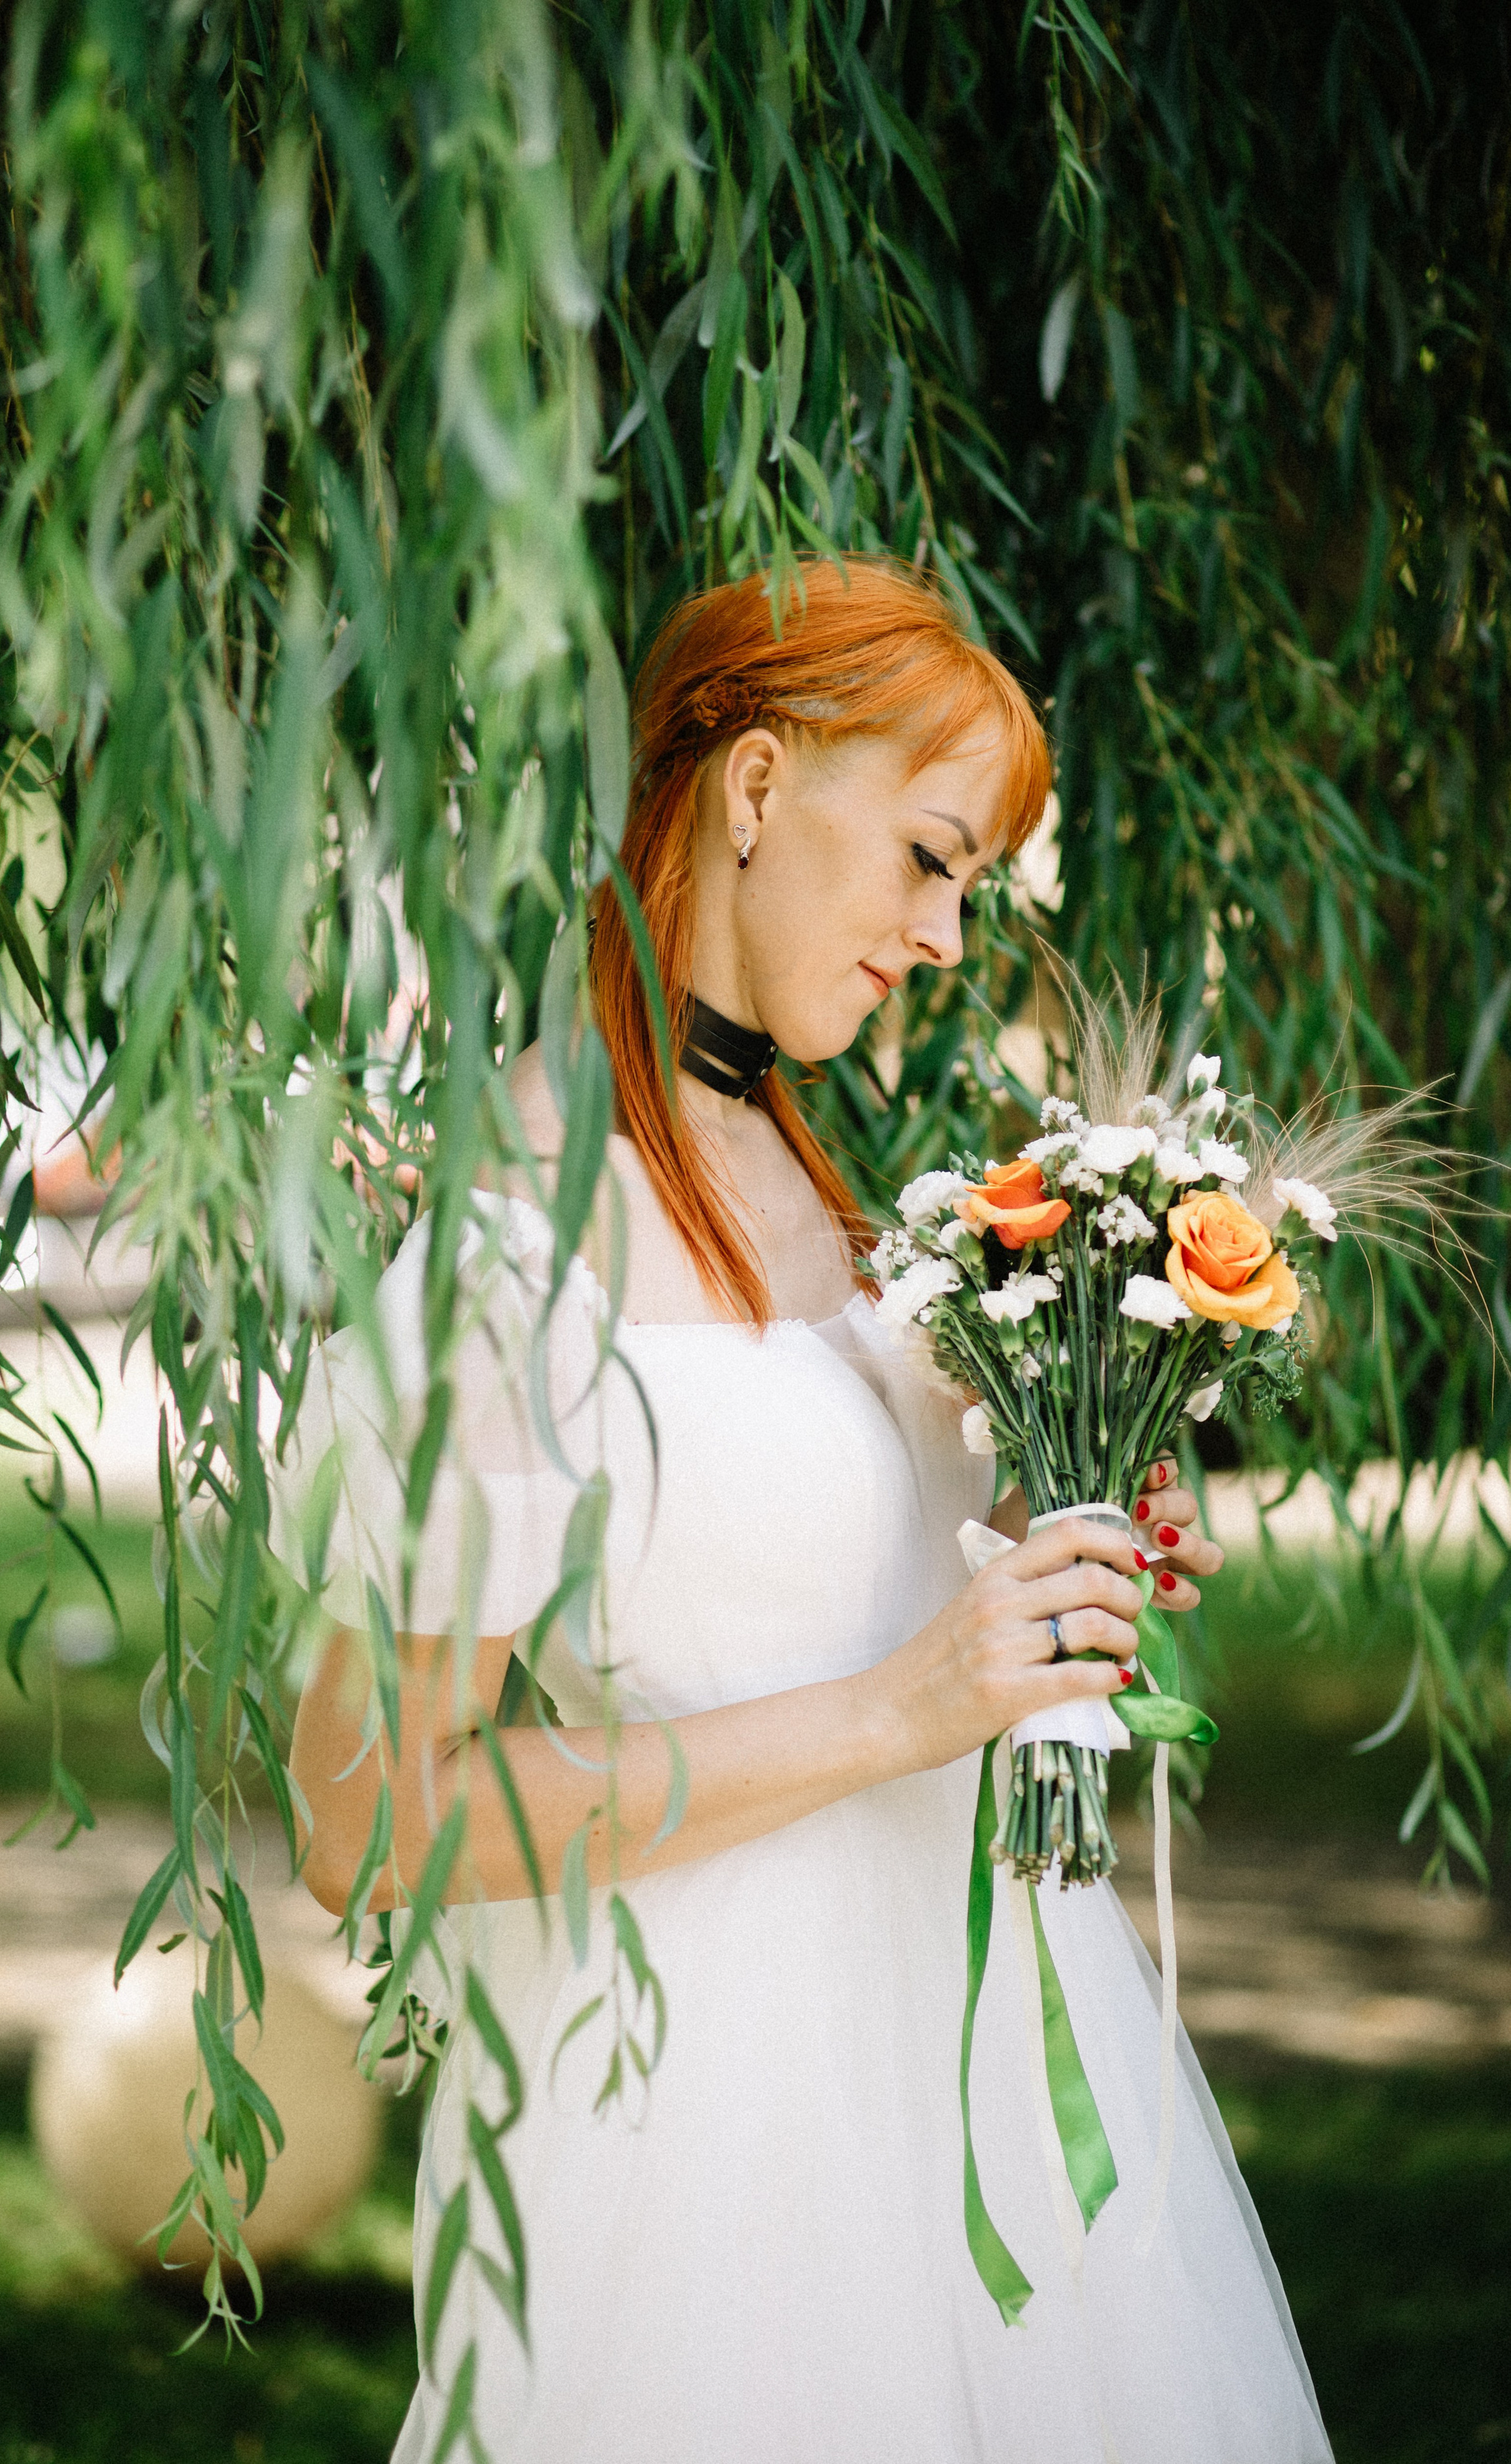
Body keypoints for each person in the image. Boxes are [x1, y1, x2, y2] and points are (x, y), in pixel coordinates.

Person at [280, 559, 1332, 2463]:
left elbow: (847, 1587)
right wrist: (897, 1711)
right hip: (714, 2146)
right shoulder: (509, 1225)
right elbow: (368, 1817)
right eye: (933, 860)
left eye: (970, 886)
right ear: (756, 789)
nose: (946, 937)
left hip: (986, 2071)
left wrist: (1054, 1531)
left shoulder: (834, 1197)